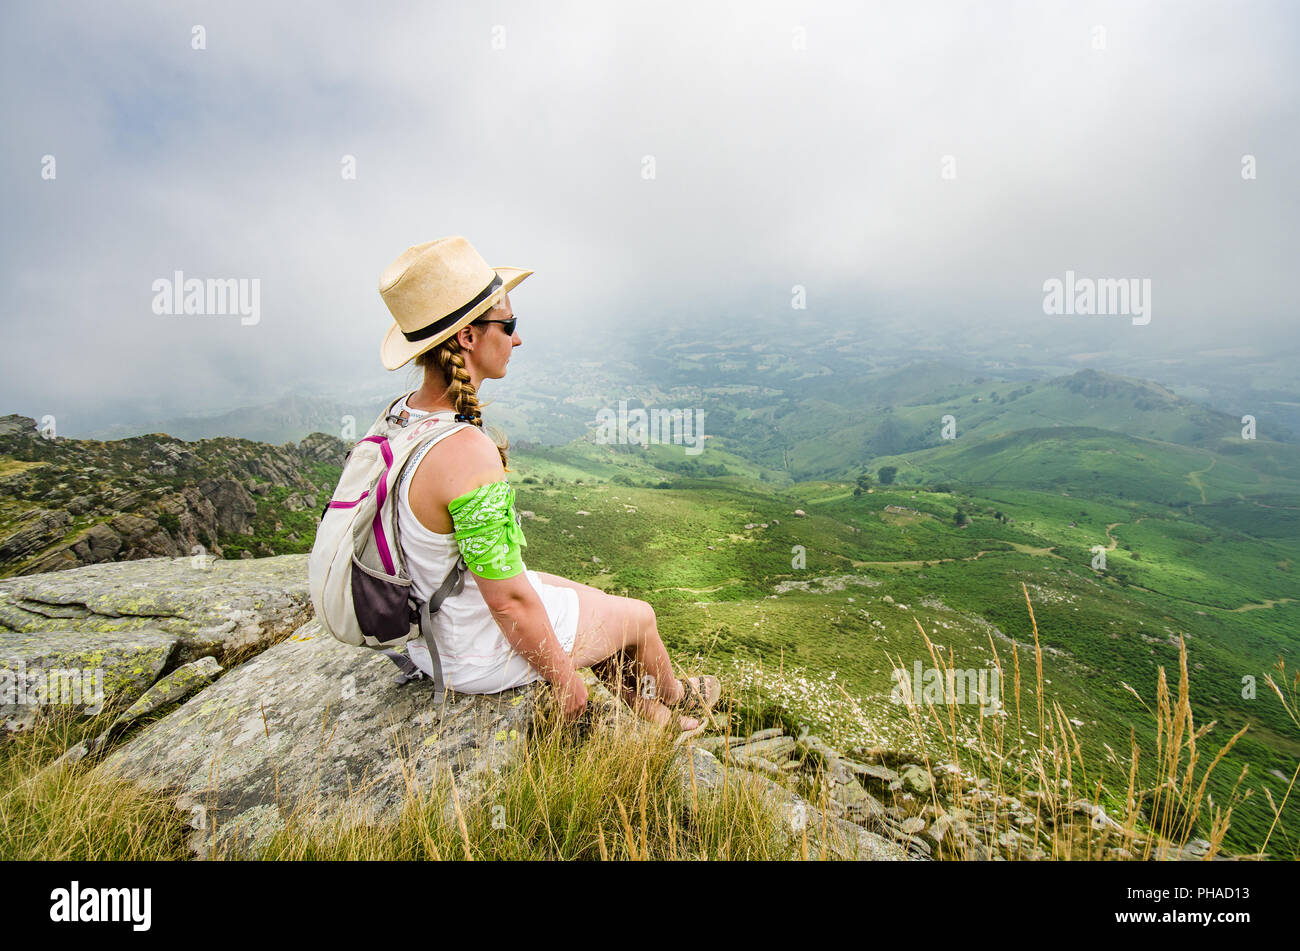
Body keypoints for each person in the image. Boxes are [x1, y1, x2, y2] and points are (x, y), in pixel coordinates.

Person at [376, 236, 720, 735]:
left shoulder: (399, 417)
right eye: (509, 325)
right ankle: (676, 696)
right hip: (471, 649)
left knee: (574, 595)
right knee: (639, 616)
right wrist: (565, 685)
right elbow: (509, 603)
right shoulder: (463, 450)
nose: (517, 339)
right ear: (468, 337)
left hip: (433, 631)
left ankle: (656, 714)